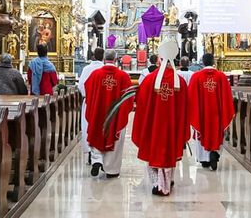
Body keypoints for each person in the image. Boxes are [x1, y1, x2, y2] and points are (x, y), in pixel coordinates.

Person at [132, 40, 190, 196]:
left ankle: (158, 183)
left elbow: (141, 104)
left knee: (155, 150)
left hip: (154, 125)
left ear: (160, 59)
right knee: (169, 150)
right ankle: (168, 180)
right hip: (172, 125)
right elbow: (185, 106)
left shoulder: (149, 80)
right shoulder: (181, 82)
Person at [85, 50, 133, 178]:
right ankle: (111, 170)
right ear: (116, 59)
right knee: (115, 137)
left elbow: (87, 90)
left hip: (98, 112)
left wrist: (94, 104)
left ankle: (97, 160)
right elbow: (128, 98)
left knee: (97, 131)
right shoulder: (123, 76)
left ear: (104, 59)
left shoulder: (95, 74)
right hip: (116, 115)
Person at [188, 53, 235, 171]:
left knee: (202, 132)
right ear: (213, 62)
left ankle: (204, 159)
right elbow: (227, 97)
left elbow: (191, 97)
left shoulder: (196, 76)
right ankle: (214, 153)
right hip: (217, 114)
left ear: (203, 62)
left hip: (202, 114)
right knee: (217, 132)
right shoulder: (221, 76)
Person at [78, 48, 105, 163]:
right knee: (101, 127)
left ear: (93, 56)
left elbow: (81, 86)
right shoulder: (104, 68)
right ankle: (101, 154)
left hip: (89, 101)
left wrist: (86, 95)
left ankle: (89, 152)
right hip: (103, 103)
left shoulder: (86, 68)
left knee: (87, 126)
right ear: (103, 57)